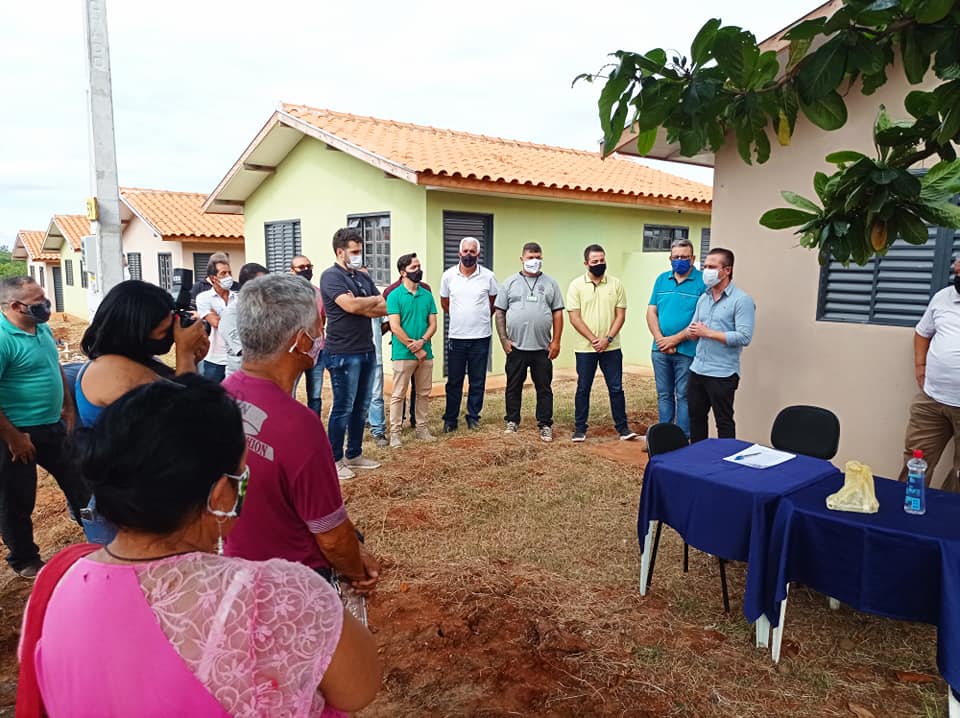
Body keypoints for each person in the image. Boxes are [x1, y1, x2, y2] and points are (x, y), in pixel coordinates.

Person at [22, 375, 380, 716]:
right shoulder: (277, 593)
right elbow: (359, 688)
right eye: (242, 476)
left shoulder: (57, 584)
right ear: (221, 495)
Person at [223, 274, 381, 594]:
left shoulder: (220, 396)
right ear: (302, 341)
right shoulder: (298, 426)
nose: (323, 334)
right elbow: (332, 537)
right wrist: (355, 571)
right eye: (319, 325)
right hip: (296, 585)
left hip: (237, 575)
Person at [0, 277, 89, 578]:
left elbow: (56, 369)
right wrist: (13, 437)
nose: (46, 306)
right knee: (17, 499)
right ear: (15, 306)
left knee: (80, 480)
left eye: (45, 299)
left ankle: (94, 530)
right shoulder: (2, 338)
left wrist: (67, 407)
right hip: (17, 433)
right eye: (38, 303)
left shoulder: (43, 329)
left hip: (53, 425)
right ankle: (24, 559)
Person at [320, 228, 386, 480]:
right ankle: (334, 459)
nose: (359, 256)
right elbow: (348, 305)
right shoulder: (330, 277)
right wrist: (362, 303)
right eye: (354, 252)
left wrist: (361, 303)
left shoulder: (361, 277)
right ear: (340, 252)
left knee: (361, 406)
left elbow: (383, 306)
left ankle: (354, 453)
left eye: (360, 251)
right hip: (342, 352)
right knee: (343, 407)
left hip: (366, 349)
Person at [896, 258, 960, 492]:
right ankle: (906, 515)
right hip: (931, 401)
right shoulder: (944, 297)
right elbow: (923, 332)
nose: (955, 268)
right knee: (915, 462)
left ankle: (947, 523)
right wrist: (921, 367)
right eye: (957, 266)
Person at [566, 245, 638, 442]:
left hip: (611, 348)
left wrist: (608, 339)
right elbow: (575, 317)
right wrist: (594, 340)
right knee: (583, 388)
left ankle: (623, 428)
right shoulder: (576, 286)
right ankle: (580, 429)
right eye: (595, 261)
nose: (599, 264)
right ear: (586, 263)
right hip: (585, 349)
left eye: (602, 260)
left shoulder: (616, 284)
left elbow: (620, 315)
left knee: (616, 388)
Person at [494, 242, 564, 442]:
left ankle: (545, 424)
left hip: (542, 348)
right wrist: (504, 340)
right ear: (522, 259)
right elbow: (500, 312)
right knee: (513, 385)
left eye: (538, 257)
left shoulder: (551, 283)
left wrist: (556, 341)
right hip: (516, 347)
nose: (534, 261)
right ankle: (512, 420)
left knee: (544, 387)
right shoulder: (510, 283)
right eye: (531, 257)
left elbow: (557, 313)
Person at [687, 248, 755, 443]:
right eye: (705, 266)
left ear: (727, 270)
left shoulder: (741, 300)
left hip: (722, 373)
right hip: (698, 369)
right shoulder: (704, 298)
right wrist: (692, 332)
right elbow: (694, 327)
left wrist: (708, 333)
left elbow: (744, 337)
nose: (706, 271)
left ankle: (725, 464)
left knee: (723, 422)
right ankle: (698, 459)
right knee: (696, 419)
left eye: (712, 267)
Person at [646, 238, 705, 438]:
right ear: (670, 258)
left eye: (685, 257)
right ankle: (664, 437)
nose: (680, 260)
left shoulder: (703, 282)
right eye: (676, 257)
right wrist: (660, 339)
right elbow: (651, 312)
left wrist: (674, 340)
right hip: (660, 350)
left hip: (687, 351)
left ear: (693, 258)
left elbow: (701, 319)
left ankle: (681, 437)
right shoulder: (661, 279)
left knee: (684, 395)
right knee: (664, 395)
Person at [440, 237, 498, 431]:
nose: (468, 255)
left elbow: (493, 302)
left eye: (472, 251)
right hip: (457, 337)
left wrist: (479, 317)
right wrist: (460, 316)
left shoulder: (488, 276)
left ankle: (473, 416)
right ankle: (450, 419)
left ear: (478, 254)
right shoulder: (448, 276)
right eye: (465, 251)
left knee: (477, 380)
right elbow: (445, 303)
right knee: (454, 380)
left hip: (481, 337)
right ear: (459, 253)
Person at [387, 253, 438, 447]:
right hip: (403, 354)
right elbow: (395, 327)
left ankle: (422, 429)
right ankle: (395, 434)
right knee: (398, 394)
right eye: (413, 268)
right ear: (403, 272)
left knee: (424, 393)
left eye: (419, 266)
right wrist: (414, 347)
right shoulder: (394, 296)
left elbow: (433, 323)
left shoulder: (427, 295)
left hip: (426, 353)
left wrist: (423, 341)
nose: (418, 270)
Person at [290, 255, 327, 416]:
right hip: (293, 353)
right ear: (292, 271)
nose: (306, 270)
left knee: (315, 396)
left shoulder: (318, 293)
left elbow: (323, 318)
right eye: (301, 268)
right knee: (288, 392)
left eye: (308, 266)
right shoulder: (285, 295)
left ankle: (315, 428)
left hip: (317, 352)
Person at [221, 263, 268, 378]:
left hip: (264, 376)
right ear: (248, 286)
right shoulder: (231, 313)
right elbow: (245, 351)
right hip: (241, 379)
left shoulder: (266, 309)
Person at [196, 257, 235, 382]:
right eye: (223, 273)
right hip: (215, 359)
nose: (228, 276)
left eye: (229, 273)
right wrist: (234, 318)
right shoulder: (204, 298)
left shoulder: (238, 298)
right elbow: (216, 323)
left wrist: (220, 315)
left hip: (236, 359)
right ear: (213, 278)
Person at [367, 315, 390, 448]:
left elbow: (386, 323)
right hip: (353, 355)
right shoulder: (346, 298)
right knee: (352, 395)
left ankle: (378, 431)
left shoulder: (374, 296)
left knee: (376, 396)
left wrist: (375, 335)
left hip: (375, 356)